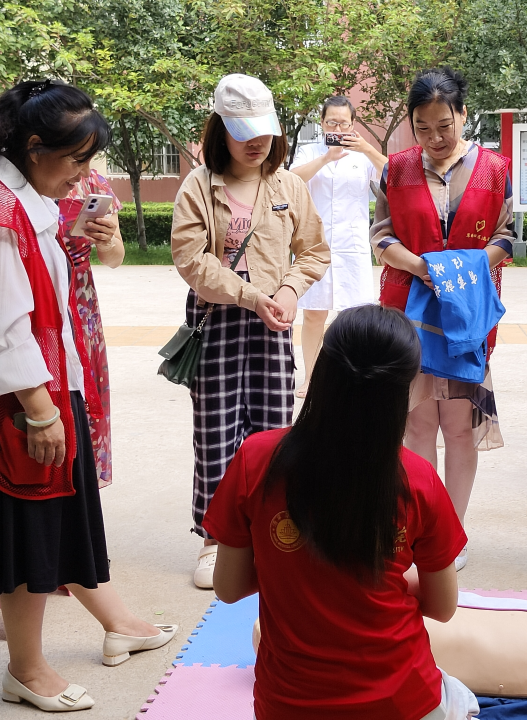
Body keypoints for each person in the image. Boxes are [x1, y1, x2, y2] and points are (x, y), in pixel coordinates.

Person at [0, 80, 176, 713]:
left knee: (50, 525)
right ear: (35, 146)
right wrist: (42, 413)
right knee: (29, 531)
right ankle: (26, 669)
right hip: (23, 399)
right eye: (75, 159)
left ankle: (73, 642)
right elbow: (5, 329)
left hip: (42, 386)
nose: (81, 175)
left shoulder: (16, 198)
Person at [203, 304, 478, 720]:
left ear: (323, 373)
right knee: (460, 699)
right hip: (402, 702)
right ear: (405, 388)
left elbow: (227, 586)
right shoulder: (418, 480)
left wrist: (300, 566)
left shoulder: (256, 460)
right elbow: (442, 607)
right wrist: (384, 572)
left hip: (288, 705)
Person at [171, 73, 329, 588]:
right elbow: (190, 259)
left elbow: (313, 252)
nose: (256, 142)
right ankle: (214, 539)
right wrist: (250, 295)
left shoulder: (288, 185)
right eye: (244, 132)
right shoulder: (199, 186)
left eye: (263, 130)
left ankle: (268, 530)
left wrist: (285, 292)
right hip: (217, 322)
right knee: (215, 433)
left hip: (272, 323)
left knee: (271, 433)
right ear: (221, 129)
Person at [370, 67, 514, 572]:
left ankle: (452, 532)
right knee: (415, 426)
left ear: (463, 116)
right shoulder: (395, 168)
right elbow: (381, 234)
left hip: (468, 310)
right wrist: (422, 268)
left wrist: (466, 269)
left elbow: (508, 234)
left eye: (444, 126)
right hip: (407, 311)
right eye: (423, 127)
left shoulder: (495, 168)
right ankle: (418, 528)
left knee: (457, 425)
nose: (433, 138)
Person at [290, 96, 387, 398]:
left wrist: (367, 148)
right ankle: (311, 378)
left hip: (352, 245)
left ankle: (354, 376)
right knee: (315, 314)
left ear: (353, 124)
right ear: (322, 123)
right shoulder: (309, 151)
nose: (337, 127)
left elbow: (394, 175)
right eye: (332, 122)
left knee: (354, 315)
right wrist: (326, 158)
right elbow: (290, 180)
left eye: (344, 123)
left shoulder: (363, 156)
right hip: (315, 245)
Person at [58, 169, 126, 487]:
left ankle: (82, 481)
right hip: (39, 291)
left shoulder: (92, 182)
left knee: (85, 393)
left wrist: (108, 238)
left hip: (81, 299)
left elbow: (114, 257)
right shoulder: (24, 178)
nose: (83, 165)